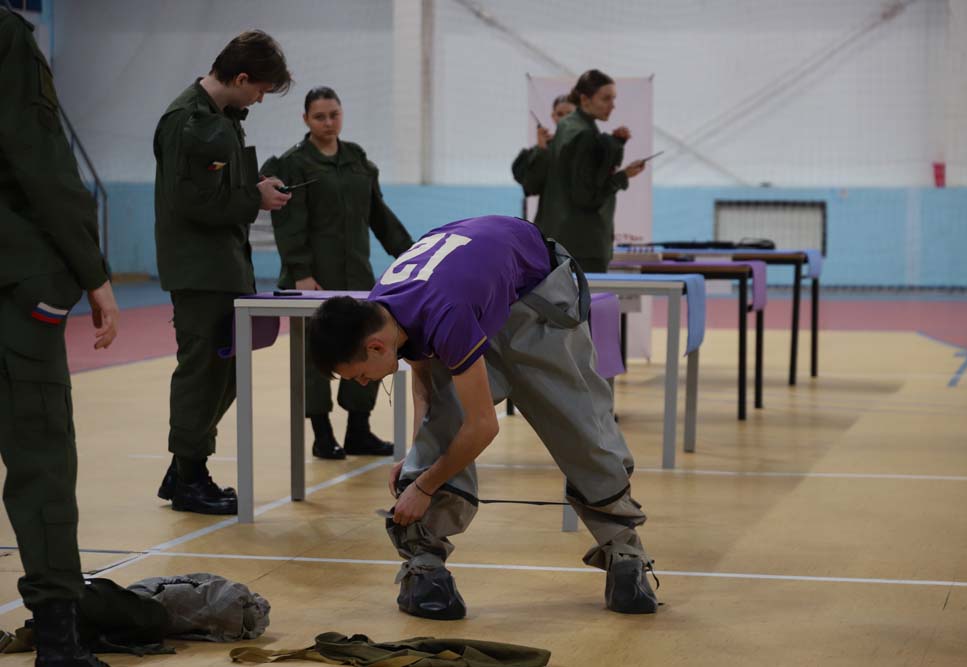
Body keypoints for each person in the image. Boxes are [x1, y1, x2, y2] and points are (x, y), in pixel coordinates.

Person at [309, 215, 659, 620]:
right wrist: (417, 453)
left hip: (537, 294)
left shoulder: (443, 313)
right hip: (473, 288)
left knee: (580, 426)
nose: (364, 383)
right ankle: (425, 562)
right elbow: (423, 377)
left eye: (360, 376)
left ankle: (624, 551)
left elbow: (483, 426)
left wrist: (424, 484)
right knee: (442, 425)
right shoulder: (382, 311)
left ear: (375, 347)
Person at [0, 8, 120, 665]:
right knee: (41, 456)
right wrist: (92, 272)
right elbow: (41, 161)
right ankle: (57, 638)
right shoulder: (6, 37)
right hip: (12, 281)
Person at [153, 30, 292, 515]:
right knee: (203, 373)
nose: (260, 99)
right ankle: (191, 478)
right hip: (200, 269)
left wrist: (255, 186)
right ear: (240, 77)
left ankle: (183, 467)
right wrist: (254, 198)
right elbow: (190, 202)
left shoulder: (220, 118)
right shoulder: (189, 121)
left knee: (227, 371)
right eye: (260, 89)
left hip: (224, 265)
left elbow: (215, 188)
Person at [261, 87, 414, 460]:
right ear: (305, 119)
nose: (328, 123)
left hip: (357, 276)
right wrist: (301, 272)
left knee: (368, 347)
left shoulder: (356, 158)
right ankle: (322, 434)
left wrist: (410, 255)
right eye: (319, 117)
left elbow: (378, 213)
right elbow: (289, 223)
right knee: (316, 357)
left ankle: (359, 431)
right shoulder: (293, 163)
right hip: (314, 279)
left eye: (334, 115)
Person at [534, 70, 646, 272]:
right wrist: (623, 176)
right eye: (606, 98)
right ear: (585, 99)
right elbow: (587, 196)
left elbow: (580, 173)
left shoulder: (567, 126)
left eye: (613, 99)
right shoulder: (585, 135)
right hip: (583, 247)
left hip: (559, 239)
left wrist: (615, 143)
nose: (612, 105)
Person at [511, 94, 575, 198]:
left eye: (570, 114)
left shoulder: (590, 143)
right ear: (553, 116)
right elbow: (531, 187)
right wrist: (541, 148)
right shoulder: (544, 147)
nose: (565, 119)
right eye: (560, 114)